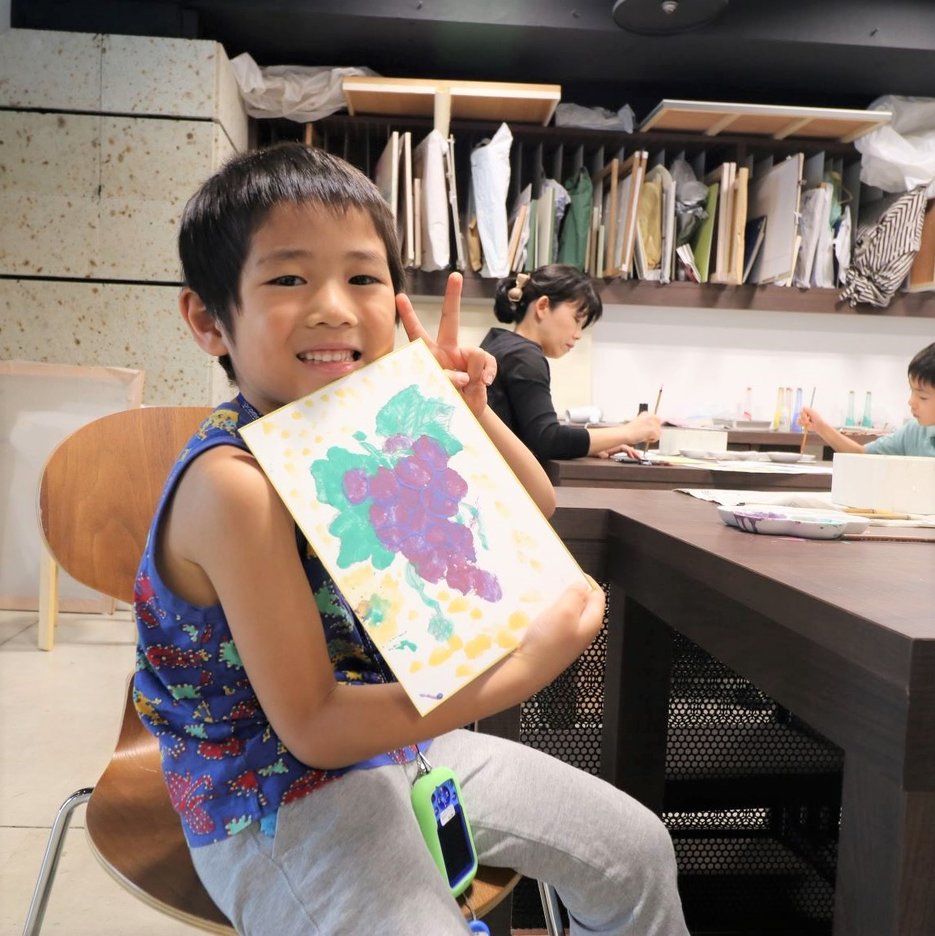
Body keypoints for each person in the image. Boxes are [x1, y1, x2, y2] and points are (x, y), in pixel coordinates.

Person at [132, 142, 688, 936]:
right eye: (288, 279)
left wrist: (468, 416)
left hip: (393, 742)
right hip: (264, 791)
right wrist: (522, 668)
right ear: (208, 319)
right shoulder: (233, 485)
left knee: (633, 849)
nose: (334, 307)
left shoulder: (363, 419)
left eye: (362, 278)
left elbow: (531, 507)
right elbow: (313, 728)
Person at [480, 265, 661, 462]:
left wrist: (591, 444)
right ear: (542, 306)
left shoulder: (500, 343)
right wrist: (629, 432)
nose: (578, 334)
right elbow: (548, 440)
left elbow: (528, 436)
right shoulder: (524, 357)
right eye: (577, 320)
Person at [800, 342, 935, 455]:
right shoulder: (913, 433)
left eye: (922, 397)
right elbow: (862, 454)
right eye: (911, 391)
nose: (911, 402)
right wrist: (820, 427)